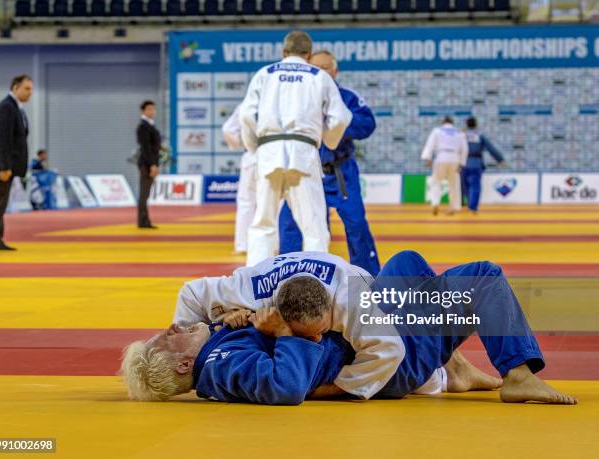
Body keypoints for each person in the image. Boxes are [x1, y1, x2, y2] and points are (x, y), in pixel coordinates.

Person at [121, 252, 577, 405]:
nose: (169, 327)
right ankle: (515, 375)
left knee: (406, 263)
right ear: (183, 361)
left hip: (367, 315)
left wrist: (220, 319)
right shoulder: (221, 366)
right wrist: (282, 337)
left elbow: (190, 299)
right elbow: (285, 385)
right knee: (483, 276)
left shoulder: (220, 328)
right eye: (166, 337)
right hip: (389, 360)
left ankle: (451, 371)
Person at [239, 31, 352, 267]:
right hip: (304, 152)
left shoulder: (264, 74)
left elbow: (247, 116)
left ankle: (252, 289)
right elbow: (341, 117)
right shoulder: (318, 76)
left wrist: (254, 148)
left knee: (263, 224)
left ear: (283, 52)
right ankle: (317, 287)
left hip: (269, 151)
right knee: (313, 226)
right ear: (309, 54)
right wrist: (328, 140)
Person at [278, 50, 380, 277]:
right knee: (290, 222)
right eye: (316, 68)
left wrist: (336, 127)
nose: (321, 72)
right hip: (304, 171)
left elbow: (367, 124)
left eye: (325, 68)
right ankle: (285, 275)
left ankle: (368, 276)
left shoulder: (347, 97)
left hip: (340, 170)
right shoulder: (294, 97)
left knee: (356, 223)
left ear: (335, 71)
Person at [0, 75, 33, 251]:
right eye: (27, 89)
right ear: (15, 88)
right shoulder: (7, 107)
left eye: (31, 89)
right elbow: (3, 140)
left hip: (6, 163)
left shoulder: (16, 108)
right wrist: (5, 167)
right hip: (1, 164)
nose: (30, 93)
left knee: (0, 202)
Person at [222, 105, 257, 255]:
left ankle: (243, 245)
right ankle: (274, 244)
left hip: (251, 155)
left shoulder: (246, 105)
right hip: (276, 157)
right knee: (274, 203)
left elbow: (227, 129)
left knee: (246, 203)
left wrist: (239, 143)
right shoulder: (283, 99)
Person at [421, 116, 468, 216]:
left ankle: (435, 203)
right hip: (455, 158)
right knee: (454, 184)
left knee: (436, 181)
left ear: (443, 122)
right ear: (452, 123)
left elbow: (430, 144)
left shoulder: (437, 131)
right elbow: (464, 149)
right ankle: (453, 207)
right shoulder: (459, 133)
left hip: (441, 157)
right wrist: (462, 163)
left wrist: (427, 157)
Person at [462, 117, 506, 214]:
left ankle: (468, 204)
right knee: (475, 186)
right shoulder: (480, 135)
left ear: (467, 125)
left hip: (463, 163)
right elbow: (491, 148)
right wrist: (500, 159)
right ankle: (473, 207)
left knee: (466, 186)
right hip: (476, 163)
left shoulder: (462, 135)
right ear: (476, 124)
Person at [136, 100, 161, 229]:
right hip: (146, 163)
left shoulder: (150, 125)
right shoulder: (143, 126)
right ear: (143, 111)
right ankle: (142, 220)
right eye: (149, 109)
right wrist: (152, 165)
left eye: (153, 109)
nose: (152, 111)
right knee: (144, 193)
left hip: (151, 162)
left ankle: (144, 220)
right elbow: (146, 148)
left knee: (146, 193)